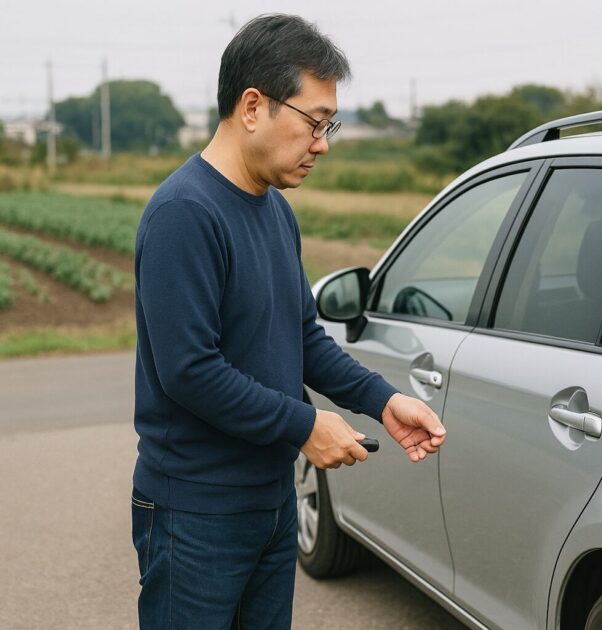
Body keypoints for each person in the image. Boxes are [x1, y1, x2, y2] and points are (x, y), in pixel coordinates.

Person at [130, 13, 445, 629]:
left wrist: (382, 401)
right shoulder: (183, 215)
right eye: (314, 123)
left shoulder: (275, 210)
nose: (322, 144)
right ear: (253, 106)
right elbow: (189, 372)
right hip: (195, 512)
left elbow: (302, 337)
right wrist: (305, 426)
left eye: (330, 126)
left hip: (269, 502)